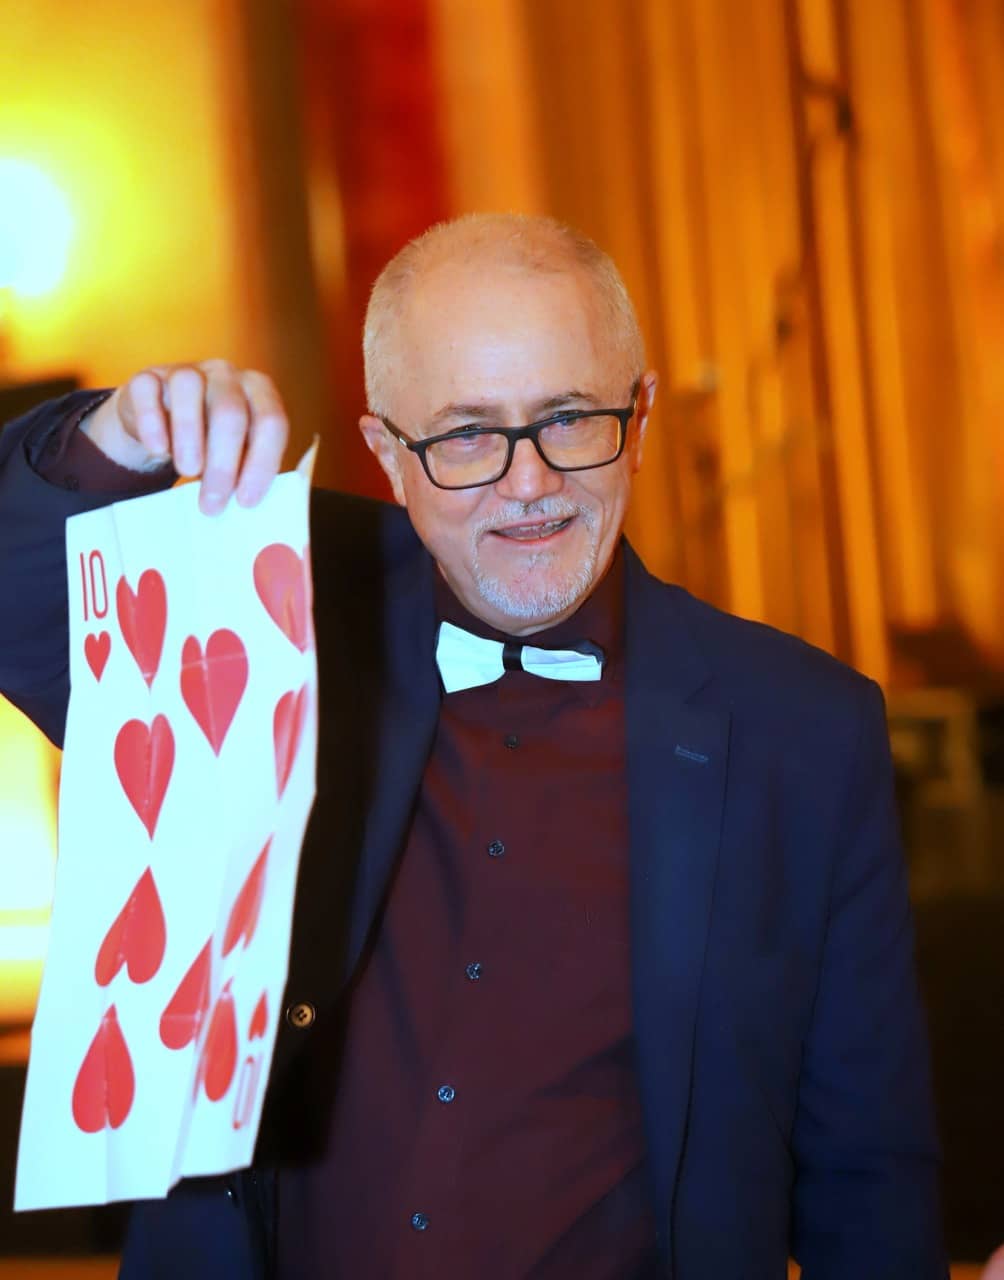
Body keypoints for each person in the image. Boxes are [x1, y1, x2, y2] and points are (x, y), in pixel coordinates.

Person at [0, 214, 947, 1278]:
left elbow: (868, 1175)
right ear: (387, 456)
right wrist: (118, 438)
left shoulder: (804, 731)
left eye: (568, 419)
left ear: (637, 420)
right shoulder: (260, 619)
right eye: (464, 436)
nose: (527, 480)